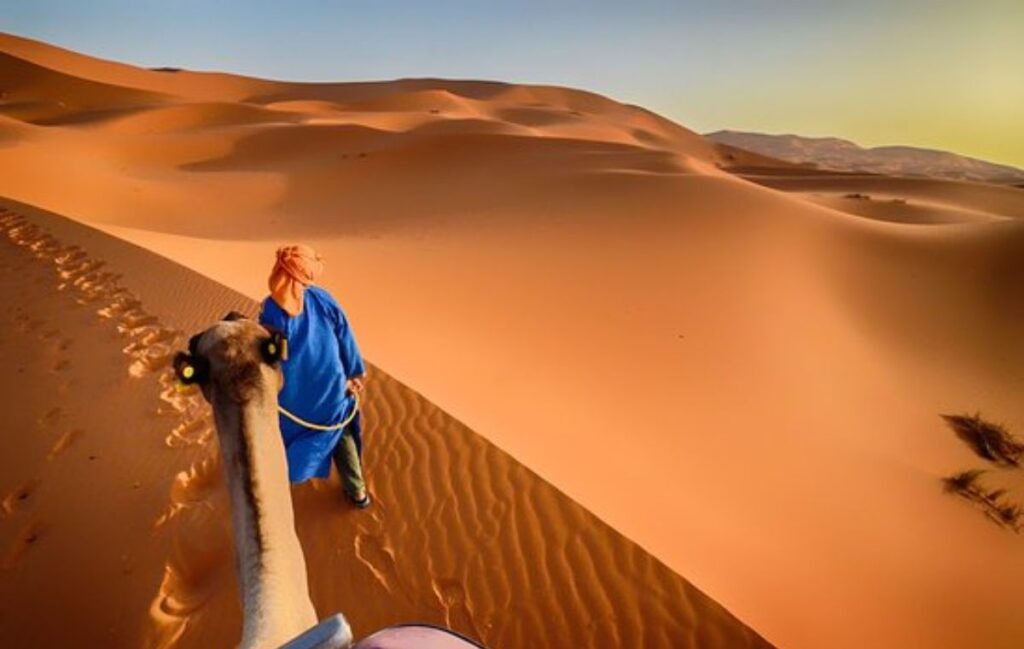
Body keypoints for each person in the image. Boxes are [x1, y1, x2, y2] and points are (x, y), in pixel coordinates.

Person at [258, 244, 371, 508]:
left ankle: (276, 489)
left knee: (289, 440)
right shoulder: (322, 299)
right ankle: (358, 493)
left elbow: (268, 356)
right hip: (332, 392)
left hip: (292, 400)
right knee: (340, 434)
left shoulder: (270, 310)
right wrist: (354, 371)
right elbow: (345, 334)